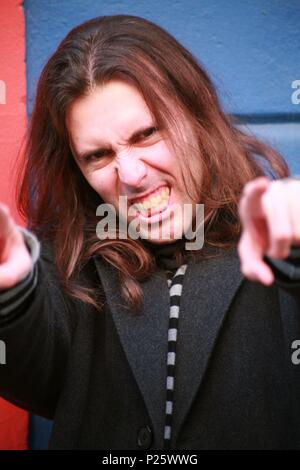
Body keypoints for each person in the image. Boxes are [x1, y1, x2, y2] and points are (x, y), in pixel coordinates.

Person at [0, 14, 300, 450]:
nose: (133, 175)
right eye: (98, 156)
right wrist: (13, 294)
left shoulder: (280, 241)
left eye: (147, 134)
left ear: (196, 116)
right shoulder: (66, 264)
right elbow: (37, 376)